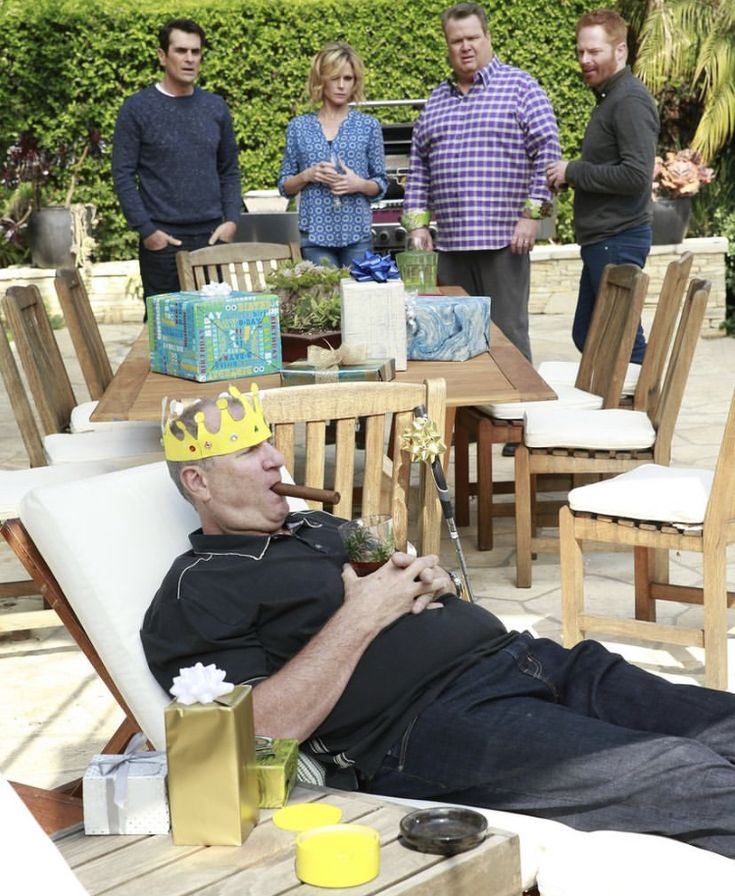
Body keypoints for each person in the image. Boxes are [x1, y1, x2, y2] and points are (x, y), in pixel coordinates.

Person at [142, 384, 735, 859]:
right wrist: (363, 615)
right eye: (251, 452)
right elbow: (257, 734)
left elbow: (397, 586)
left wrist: (432, 580)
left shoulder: (315, 526)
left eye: (268, 441)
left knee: (722, 727)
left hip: (529, 659)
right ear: (198, 481)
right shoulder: (196, 591)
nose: (277, 458)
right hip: (431, 726)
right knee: (687, 775)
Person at [403, 3, 560, 362]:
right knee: (453, 341)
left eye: (473, 37)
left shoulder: (521, 88)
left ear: (487, 37)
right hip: (451, 247)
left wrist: (531, 216)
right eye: (456, 40)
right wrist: (418, 227)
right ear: (448, 45)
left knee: (508, 336)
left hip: (505, 243)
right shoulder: (436, 101)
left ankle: (515, 416)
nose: (465, 46)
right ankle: (472, 417)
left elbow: (547, 153)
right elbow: (419, 169)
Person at [545, 9, 659, 364]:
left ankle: (645, 414)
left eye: (594, 51)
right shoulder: (612, 99)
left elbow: (637, 175)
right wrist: (571, 177)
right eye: (580, 51)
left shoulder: (629, 101)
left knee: (623, 340)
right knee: (590, 334)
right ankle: (625, 409)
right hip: (605, 241)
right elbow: (615, 168)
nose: (584, 60)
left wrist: (574, 171)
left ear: (620, 51)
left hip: (618, 240)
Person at [112, 18, 242, 305]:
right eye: (181, 51)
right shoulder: (137, 109)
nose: (189, 59)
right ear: (162, 56)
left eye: (195, 52)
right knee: (164, 334)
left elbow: (229, 170)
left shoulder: (215, 108)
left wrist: (232, 220)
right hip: (163, 242)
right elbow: (122, 175)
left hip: (212, 238)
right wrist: (147, 231)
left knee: (213, 328)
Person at [277, 42, 387, 268]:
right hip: (315, 235)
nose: (341, 86)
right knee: (323, 301)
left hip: (357, 233)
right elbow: (284, 186)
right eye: (335, 78)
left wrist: (358, 184)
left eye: (348, 79)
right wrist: (308, 175)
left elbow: (381, 183)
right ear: (321, 80)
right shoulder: (299, 127)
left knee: (360, 299)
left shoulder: (368, 126)